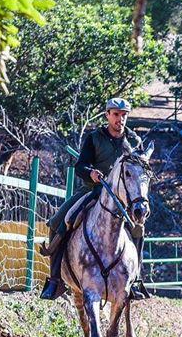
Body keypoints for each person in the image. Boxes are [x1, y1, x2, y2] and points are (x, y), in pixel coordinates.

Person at [40, 98, 148, 301]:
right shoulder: (94, 138)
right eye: (116, 114)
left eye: (124, 115)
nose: (120, 119)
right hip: (93, 190)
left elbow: (139, 169)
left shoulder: (134, 141)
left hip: (123, 197)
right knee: (58, 221)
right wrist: (91, 173)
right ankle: (55, 280)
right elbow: (80, 166)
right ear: (107, 115)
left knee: (138, 228)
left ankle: (136, 281)